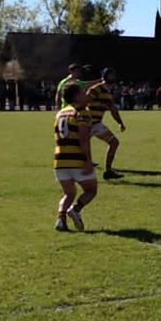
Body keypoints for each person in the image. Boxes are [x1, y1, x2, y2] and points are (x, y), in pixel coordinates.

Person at [53, 83, 97, 231]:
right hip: (77, 159)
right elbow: (84, 139)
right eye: (83, 92)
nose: (87, 95)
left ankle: (61, 219)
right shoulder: (82, 112)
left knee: (69, 193)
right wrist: (87, 161)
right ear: (77, 96)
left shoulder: (60, 113)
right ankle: (76, 210)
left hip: (60, 160)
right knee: (91, 190)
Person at [84, 67, 127, 180]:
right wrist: (100, 106)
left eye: (114, 75)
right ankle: (76, 175)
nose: (113, 77)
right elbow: (85, 101)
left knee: (114, 143)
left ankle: (108, 171)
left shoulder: (108, 92)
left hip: (96, 124)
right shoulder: (97, 89)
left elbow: (113, 109)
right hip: (86, 124)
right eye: (110, 75)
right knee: (80, 149)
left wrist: (120, 123)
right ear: (105, 76)